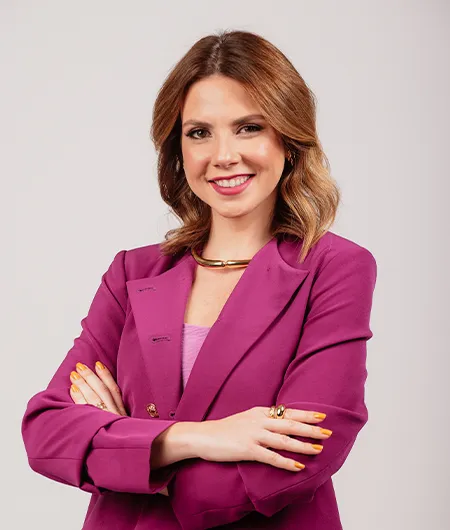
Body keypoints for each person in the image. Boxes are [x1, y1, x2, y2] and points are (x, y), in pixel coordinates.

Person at [21, 29, 377, 530]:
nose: (223, 155)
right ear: (178, 149)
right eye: (199, 132)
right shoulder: (133, 273)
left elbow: (304, 452)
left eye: (249, 127)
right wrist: (197, 438)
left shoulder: (333, 268)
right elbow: (47, 433)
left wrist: (126, 448)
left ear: (289, 140)